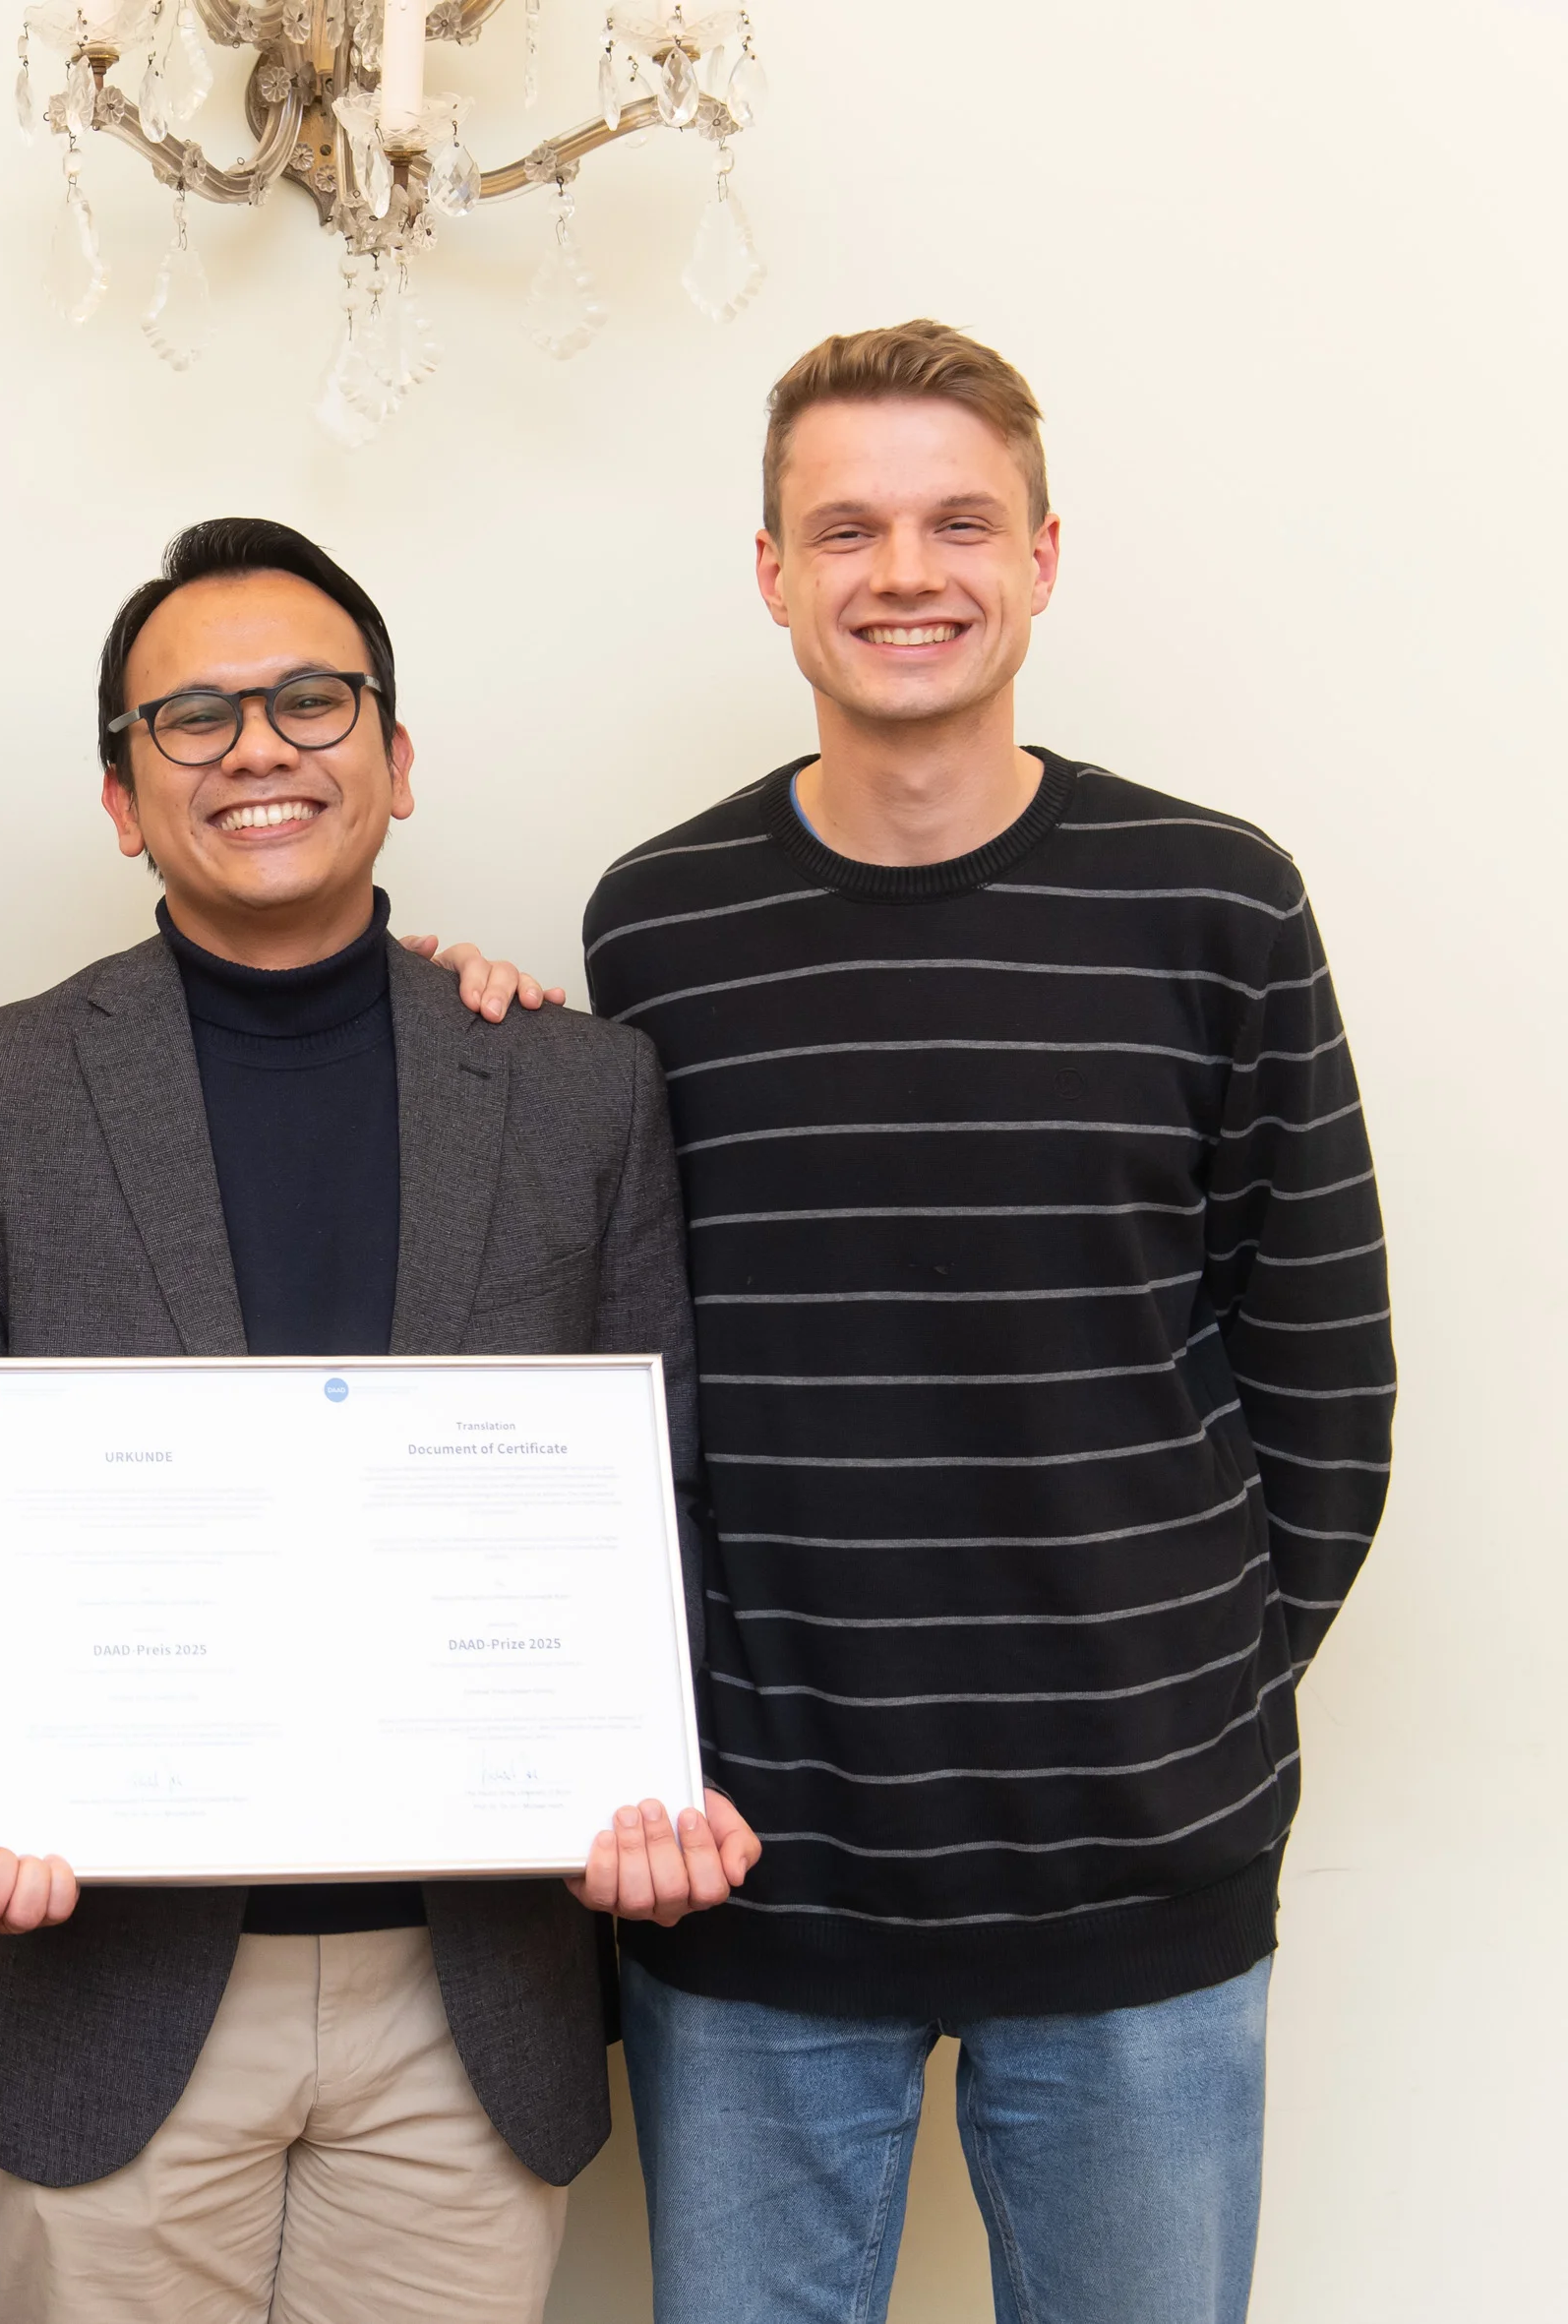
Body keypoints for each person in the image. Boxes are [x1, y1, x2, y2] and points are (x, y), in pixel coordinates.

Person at [0, 518, 760, 2324]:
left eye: (309, 700)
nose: (256, 746)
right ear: (121, 795)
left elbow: (651, 1483)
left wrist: (659, 1763)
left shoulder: (581, 1086)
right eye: (190, 718)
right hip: (105, 1959)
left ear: (396, 761)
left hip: (472, 1975)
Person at [578, 323, 1392, 2324]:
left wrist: (1168, 1697)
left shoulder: (1215, 903)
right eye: (842, 527)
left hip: (1140, 1865)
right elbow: (624, 1373)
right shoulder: (653, 926)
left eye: (957, 520)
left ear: (1042, 555)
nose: (902, 570)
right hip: (757, 1864)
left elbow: (1322, 1372)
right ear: (769, 573)